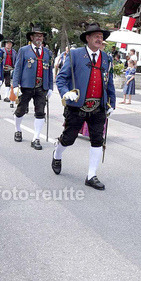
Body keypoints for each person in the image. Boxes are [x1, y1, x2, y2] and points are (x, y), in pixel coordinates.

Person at [52, 24, 115, 191]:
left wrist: (112, 103)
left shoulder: (106, 58)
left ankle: (91, 175)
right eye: (96, 36)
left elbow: (109, 83)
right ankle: (57, 153)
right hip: (77, 106)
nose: (99, 39)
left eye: (101, 36)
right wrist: (66, 93)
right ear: (87, 38)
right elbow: (61, 78)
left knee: (97, 140)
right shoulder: (75, 55)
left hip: (98, 107)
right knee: (69, 138)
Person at [11, 25, 53, 150]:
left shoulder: (47, 52)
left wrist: (50, 87)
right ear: (31, 37)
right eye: (37, 36)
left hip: (42, 87)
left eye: (41, 36)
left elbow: (50, 71)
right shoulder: (24, 50)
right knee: (21, 110)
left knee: (40, 112)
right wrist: (15, 85)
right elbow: (18, 68)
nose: (39, 38)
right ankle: (17, 130)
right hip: (26, 85)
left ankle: (36, 138)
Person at [0, 37, 16, 108]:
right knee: (0, 81)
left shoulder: (14, 52)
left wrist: (14, 67)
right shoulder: (1, 50)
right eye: (7, 43)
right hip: (2, 68)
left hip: (10, 68)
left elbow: (16, 60)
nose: (9, 45)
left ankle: (6, 96)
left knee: (8, 82)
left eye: (10, 44)